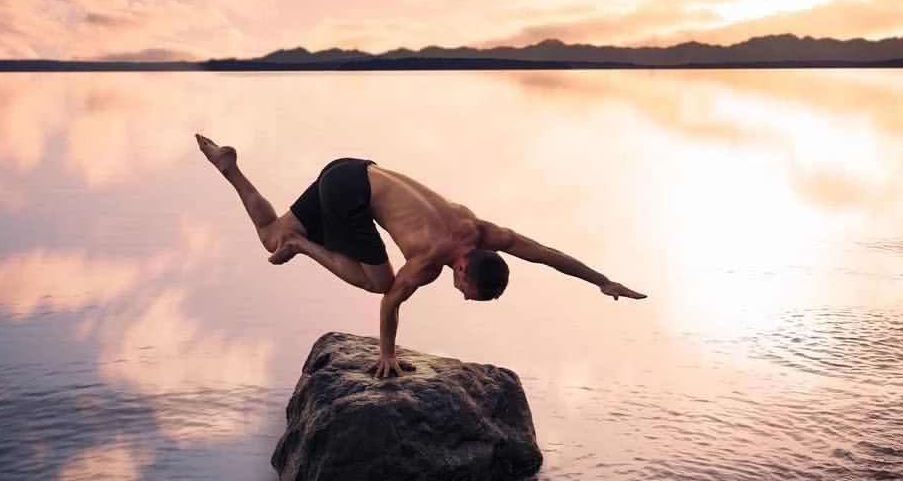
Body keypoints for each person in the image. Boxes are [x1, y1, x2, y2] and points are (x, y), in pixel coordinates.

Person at [195, 135, 647, 378]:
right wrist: (387, 355)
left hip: (352, 167)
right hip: (351, 195)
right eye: (471, 293)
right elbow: (389, 301)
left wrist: (601, 280)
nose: (466, 299)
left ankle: (229, 168)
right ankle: (303, 247)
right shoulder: (430, 261)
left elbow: (546, 255)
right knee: (377, 281)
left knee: (270, 236)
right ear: (467, 270)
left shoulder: (484, 229)